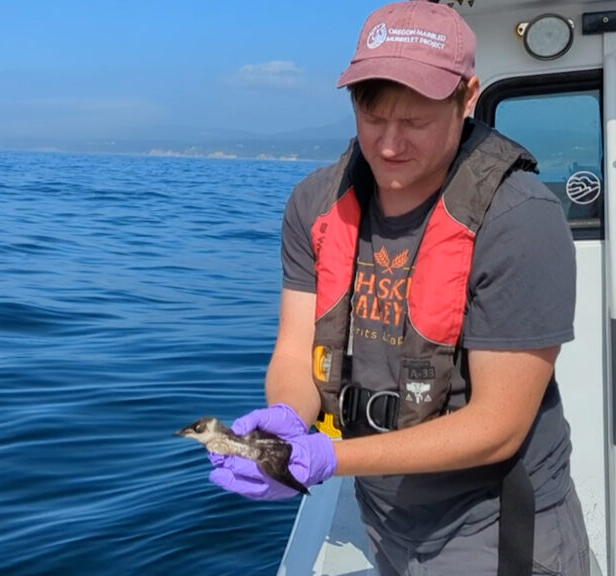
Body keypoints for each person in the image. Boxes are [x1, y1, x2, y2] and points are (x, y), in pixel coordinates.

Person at [206, 1, 591, 575]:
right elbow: (295, 348)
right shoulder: (314, 204)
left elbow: (498, 428)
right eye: (372, 116)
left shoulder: (521, 218)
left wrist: (326, 456)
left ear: (467, 98)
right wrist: (286, 420)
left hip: (492, 525)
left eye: (414, 121)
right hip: (380, 514)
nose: (389, 144)